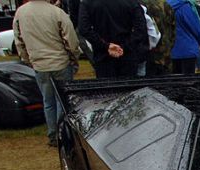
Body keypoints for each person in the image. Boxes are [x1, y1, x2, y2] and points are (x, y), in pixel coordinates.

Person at [13, 0, 80, 146]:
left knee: (48, 101)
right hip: (60, 62)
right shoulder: (56, 12)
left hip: (39, 64)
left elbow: (19, 40)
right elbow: (71, 39)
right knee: (63, 100)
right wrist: (74, 57)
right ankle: (63, 133)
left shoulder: (20, 13)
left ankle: (53, 134)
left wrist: (28, 59)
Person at [79, 0, 147, 77]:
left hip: (104, 55)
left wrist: (104, 45)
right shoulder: (131, 2)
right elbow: (141, 29)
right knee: (128, 87)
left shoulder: (88, 2)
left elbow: (83, 28)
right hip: (126, 55)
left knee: (106, 87)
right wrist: (125, 46)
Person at [168, 0, 200, 73]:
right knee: (188, 80)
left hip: (171, 49)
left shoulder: (164, 6)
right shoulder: (185, 7)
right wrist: (199, 41)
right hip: (188, 48)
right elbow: (195, 27)